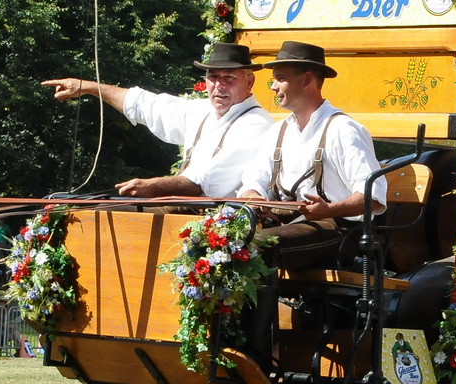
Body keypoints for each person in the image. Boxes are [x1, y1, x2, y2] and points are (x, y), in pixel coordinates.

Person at [42, 42, 274, 198]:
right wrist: (89, 88)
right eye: (213, 77)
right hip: (186, 209)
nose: (219, 86)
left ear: (249, 82)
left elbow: (204, 182)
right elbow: (144, 104)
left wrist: (152, 186)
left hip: (219, 224)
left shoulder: (257, 125)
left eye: (229, 78)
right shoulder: (201, 111)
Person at [238, 41, 387, 271]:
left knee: (256, 245)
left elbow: (373, 196)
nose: (273, 86)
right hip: (289, 228)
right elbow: (252, 183)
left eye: (280, 78)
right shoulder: (278, 131)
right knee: (228, 240)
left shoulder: (343, 129)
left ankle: (261, 308)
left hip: (337, 234)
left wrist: (330, 209)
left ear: (307, 80)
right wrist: (256, 199)